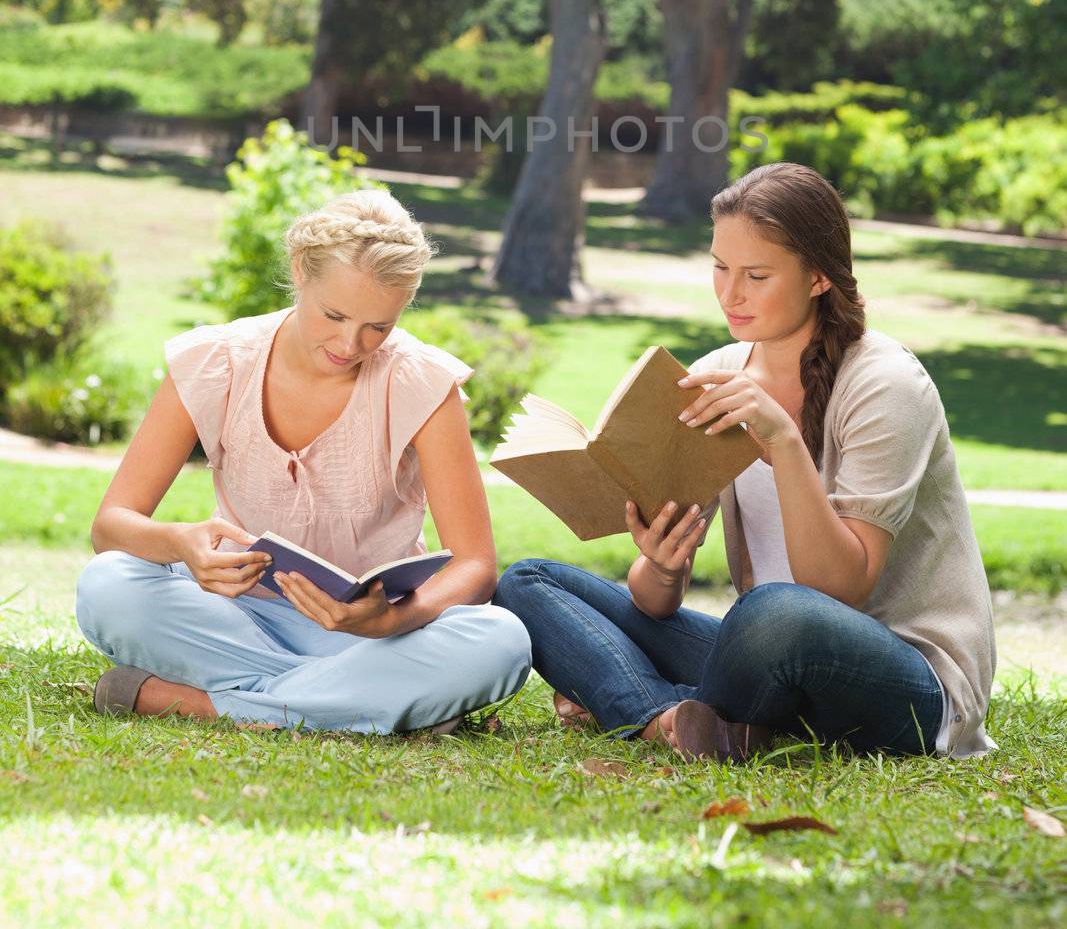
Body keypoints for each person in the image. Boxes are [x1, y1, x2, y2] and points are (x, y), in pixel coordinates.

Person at [494, 161, 996, 763]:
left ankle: (637, 700)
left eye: (757, 275)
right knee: (529, 582)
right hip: (767, 657)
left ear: (817, 277)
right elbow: (656, 604)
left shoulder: (884, 384)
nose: (731, 294)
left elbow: (837, 591)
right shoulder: (718, 376)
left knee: (771, 612)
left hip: (908, 680)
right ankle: (671, 719)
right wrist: (661, 564)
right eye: (720, 267)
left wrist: (784, 442)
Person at [76, 188, 531, 734]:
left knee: (502, 641)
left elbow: (476, 565)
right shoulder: (215, 362)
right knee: (107, 584)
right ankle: (364, 702)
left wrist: (390, 620)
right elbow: (111, 526)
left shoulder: (422, 382)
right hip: (240, 618)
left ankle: (203, 703)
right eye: (334, 315)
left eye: (378, 327)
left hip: (375, 631)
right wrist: (181, 545)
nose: (351, 343)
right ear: (299, 271)